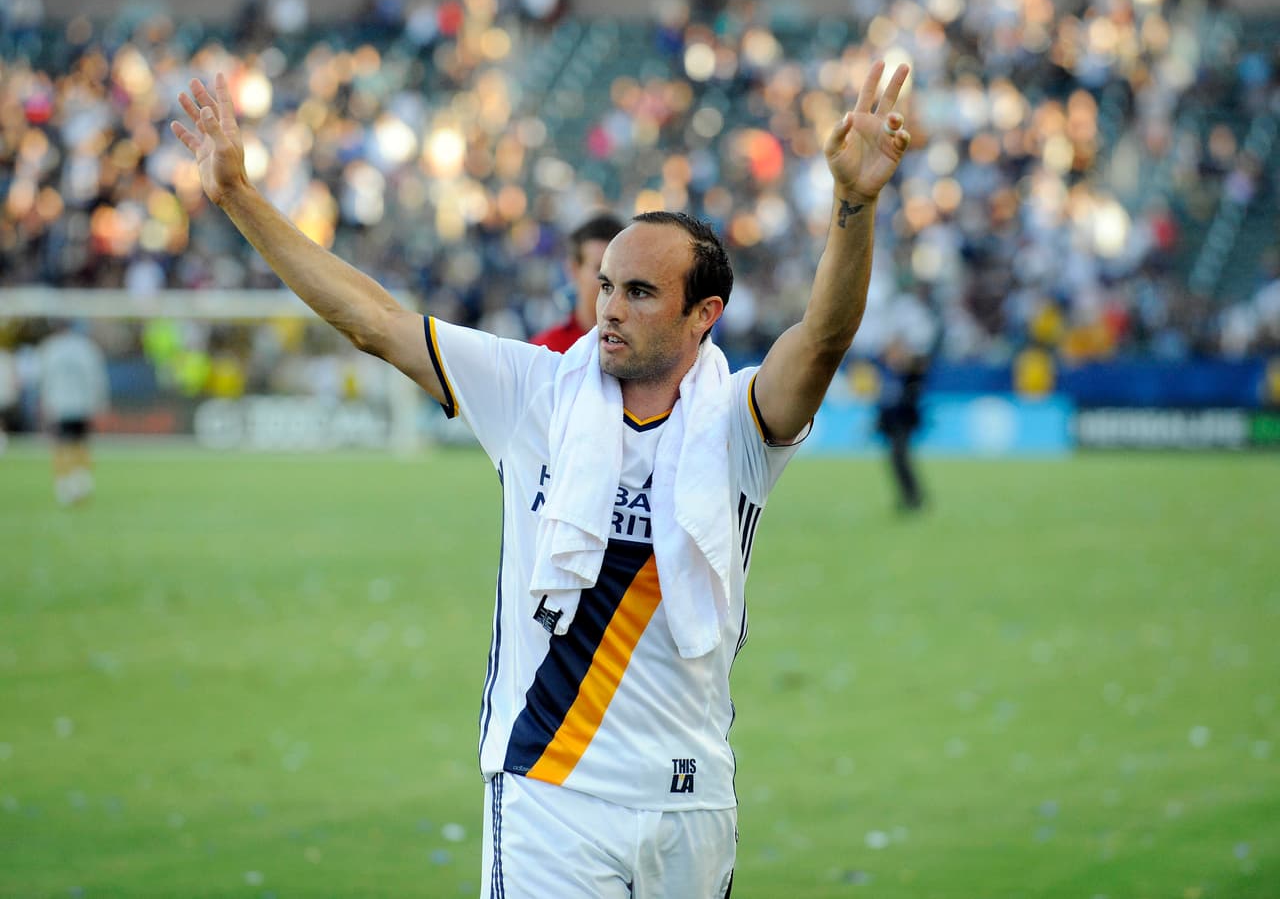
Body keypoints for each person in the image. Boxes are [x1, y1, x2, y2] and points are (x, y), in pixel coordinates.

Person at [171, 61, 911, 898]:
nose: (607, 308)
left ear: (703, 315)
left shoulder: (739, 422)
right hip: (549, 791)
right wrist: (237, 195)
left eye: (637, 291)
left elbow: (820, 340)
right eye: (604, 287)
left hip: (690, 802)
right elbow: (375, 321)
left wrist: (855, 204)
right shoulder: (534, 391)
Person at [37, 321, 110, 505]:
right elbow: (96, 378)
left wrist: (44, 403)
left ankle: (64, 485)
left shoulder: (50, 348)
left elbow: (43, 379)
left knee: (62, 446)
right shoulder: (86, 348)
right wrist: (99, 403)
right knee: (80, 444)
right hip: (81, 405)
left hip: (59, 405)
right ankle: (81, 483)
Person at [531, 213, 626, 353]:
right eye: (600, 268)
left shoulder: (643, 349)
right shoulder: (546, 351)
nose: (611, 281)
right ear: (574, 270)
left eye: (619, 268)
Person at [875, 337, 928, 512]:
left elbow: (920, 369)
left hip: (903, 424)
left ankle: (914, 497)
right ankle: (909, 497)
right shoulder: (888, 373)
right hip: (891, 425)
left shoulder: (909, 374)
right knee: (897, 461)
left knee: (900, 460)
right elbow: (885, 403)